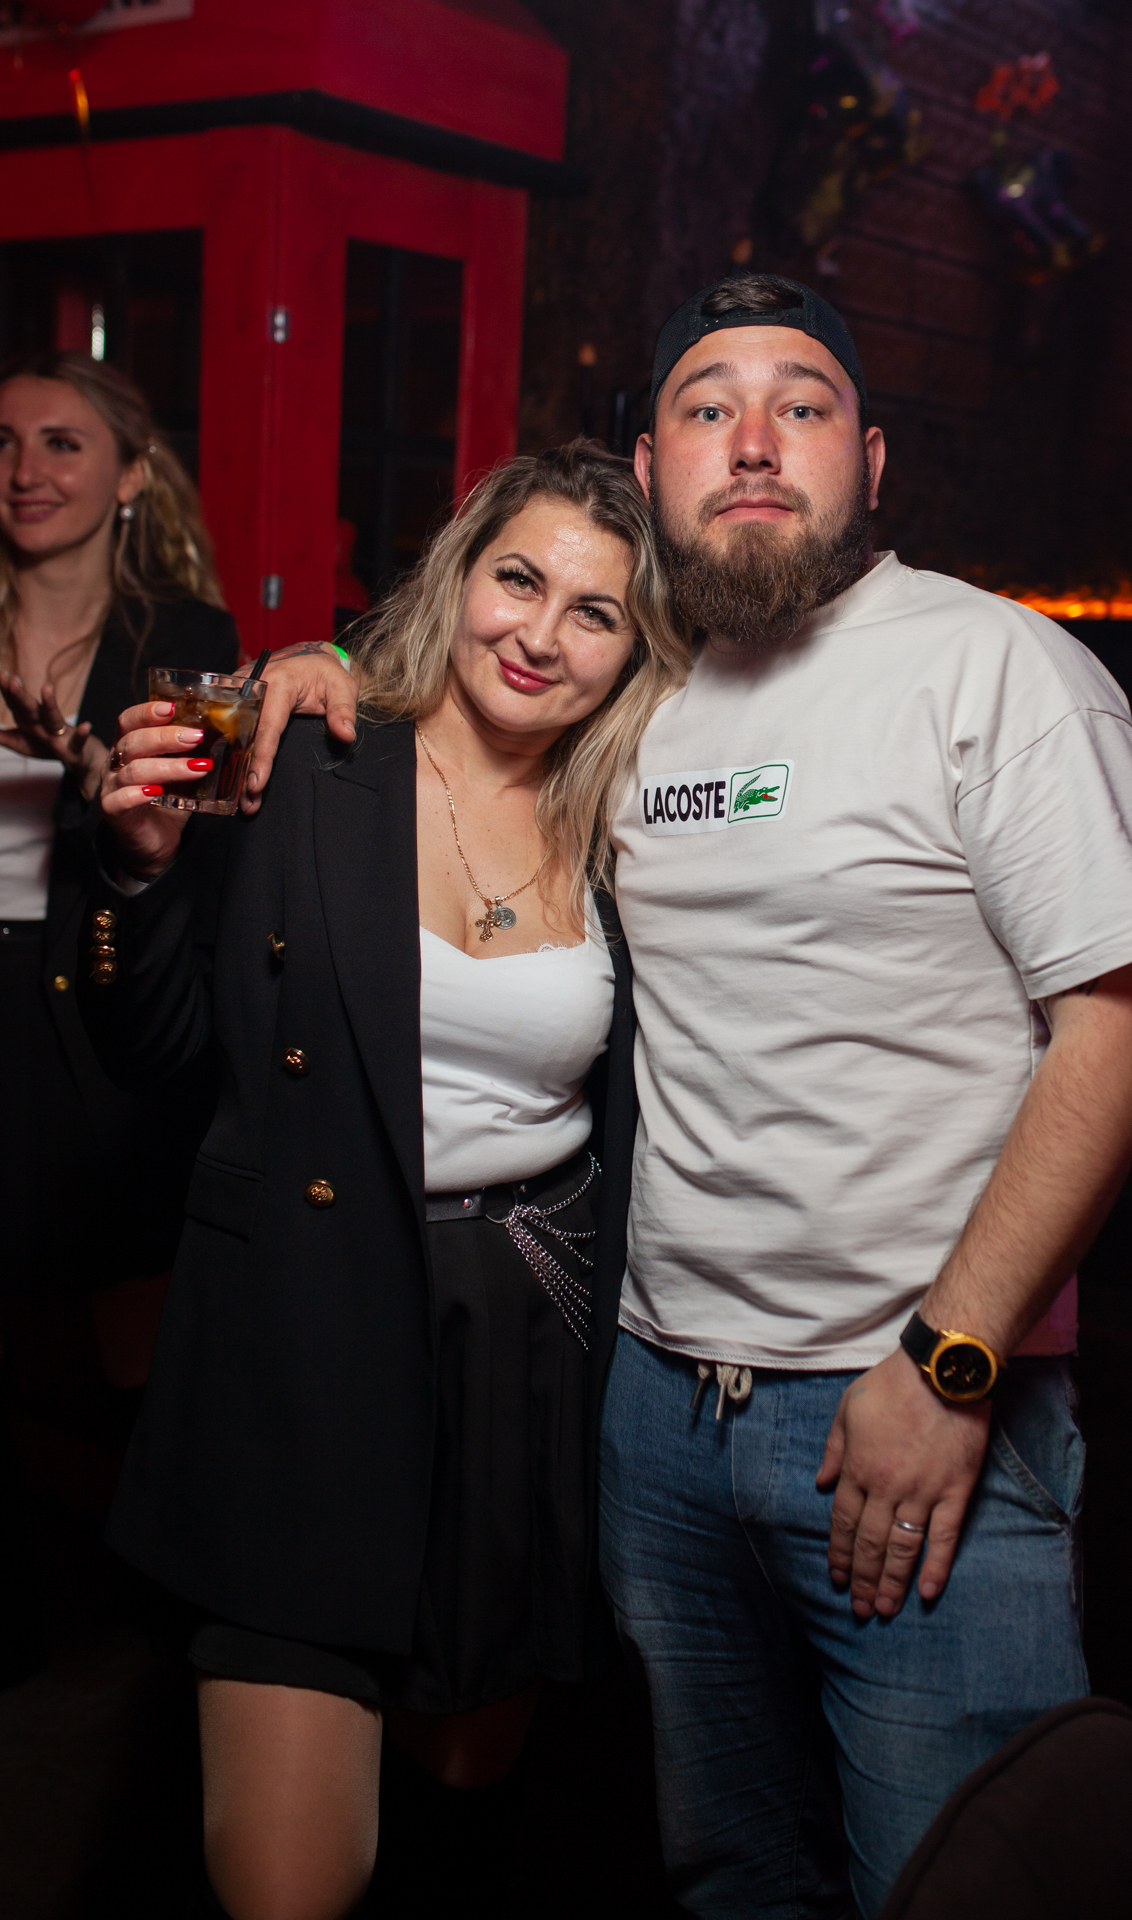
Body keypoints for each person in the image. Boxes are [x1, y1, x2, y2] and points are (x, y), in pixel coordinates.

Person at [245, 275, 1132, 1919]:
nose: (754, 441)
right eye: (707, 408)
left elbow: (1124, 1027)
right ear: (651, 464)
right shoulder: (637, 691)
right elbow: (457, 734)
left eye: (801, 405)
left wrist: (950, 1365)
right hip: (653, 1410)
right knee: (730, 1879)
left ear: (868, 461)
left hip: (911, 1410)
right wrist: (309, 665)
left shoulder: (994, 667)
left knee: (965, 1884)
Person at [81, 442, 686, 1920]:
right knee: (294, 1877)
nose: (540, 635)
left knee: (460, 1814)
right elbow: (156, 1050)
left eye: (595, 613)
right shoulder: (306, 758)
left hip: (520, 1339)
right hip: (299, 1324)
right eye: (518, 579)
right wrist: (137, 873)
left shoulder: (632, 826)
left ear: (635, 653)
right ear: (459, 574)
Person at [0, 351, 237, 1682]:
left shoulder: (179, 640)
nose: (25, 470)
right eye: (4, 441)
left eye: (63, 443)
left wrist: (92, 766)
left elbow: (197, 851)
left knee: (129, 1336)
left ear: (131, 476)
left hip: (94, 1009)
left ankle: (154, 1624)